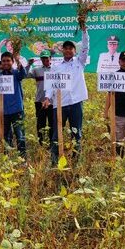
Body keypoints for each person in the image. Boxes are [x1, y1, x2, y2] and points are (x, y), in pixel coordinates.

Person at [42, 26, 90, 166]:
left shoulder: (79, 62)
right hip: (60, 104)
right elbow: (51, 85)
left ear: (75, 51)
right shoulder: (56, 67)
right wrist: (47, 98)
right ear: (62, 50)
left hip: (76, 103)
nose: (68, 50)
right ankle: (54, 161)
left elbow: (86, 46)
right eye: (66, 48)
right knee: (57, 134)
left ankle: (76, 162)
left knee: (77, 133)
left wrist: (84, 30)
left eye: (71, 48)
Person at [0, 51, 27, 157]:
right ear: (1, 62)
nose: (6, 63)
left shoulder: (16, 73)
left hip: (17, 110)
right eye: (3, 61)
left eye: (8, 60)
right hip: (3, 111)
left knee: (20, 136)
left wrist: (18, 60)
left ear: (12, 62)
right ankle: (6, 158)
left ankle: (23, 158)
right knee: (5, 137)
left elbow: (23, 74)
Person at [26, 50, 54, 146]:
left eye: (47, 57)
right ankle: (41, 144)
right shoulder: (36, 70)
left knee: (52, 124)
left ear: (50, 58)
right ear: (41, 59)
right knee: (40, 124)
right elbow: (25, 75)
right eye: (43, 58)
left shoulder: (55, 69)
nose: (45, 59)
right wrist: (28, 65)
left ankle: (52, 144)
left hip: (53, 102)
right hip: (39, 101)